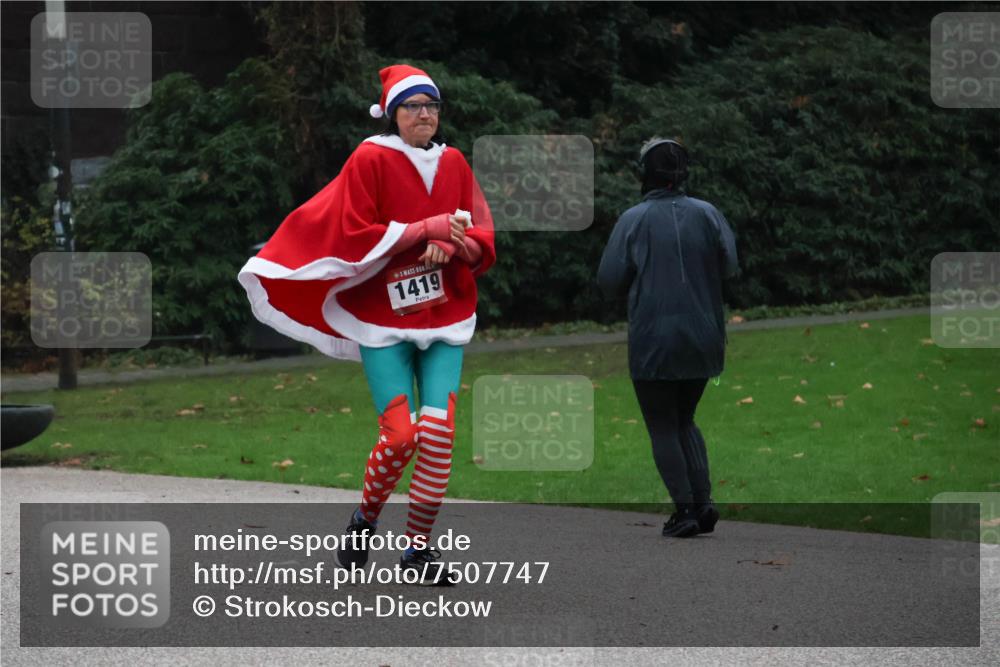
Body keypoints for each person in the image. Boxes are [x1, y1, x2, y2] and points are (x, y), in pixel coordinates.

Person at [237, 64, 496, 583]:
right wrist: (426, 227)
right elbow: (354, 233)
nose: (424, 115)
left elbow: (484, 235)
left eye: (432, 106)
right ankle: (364, 519)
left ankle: (418, 553)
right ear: (393, 114)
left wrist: (457, 244)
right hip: (381, 315)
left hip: (446, 315)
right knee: (401, 437)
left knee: (439, 434)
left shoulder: (455, 162)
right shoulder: (370, 158)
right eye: (413, 106)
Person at [597, 137, 738, 538]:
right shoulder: (709, 213)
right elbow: (730, 266)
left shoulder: (634, 219)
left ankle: (686, 510)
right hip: (704, 334)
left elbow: (609, 281)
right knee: (685, 418)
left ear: (645, 173)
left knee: (662, 423)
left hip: (653, 337)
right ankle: (704, 503)